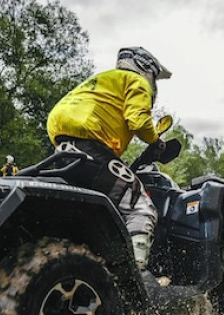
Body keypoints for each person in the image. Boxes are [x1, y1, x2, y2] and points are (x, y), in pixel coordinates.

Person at [47, 46, 171, 270]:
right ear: (146, 68)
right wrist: (155, 141)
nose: (153, 83)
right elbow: (138, 121)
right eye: (154, 77)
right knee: (141, 208)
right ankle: (137, 276)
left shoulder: (101, 82)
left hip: (63, 153)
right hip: (91, 151)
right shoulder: (136, 82)